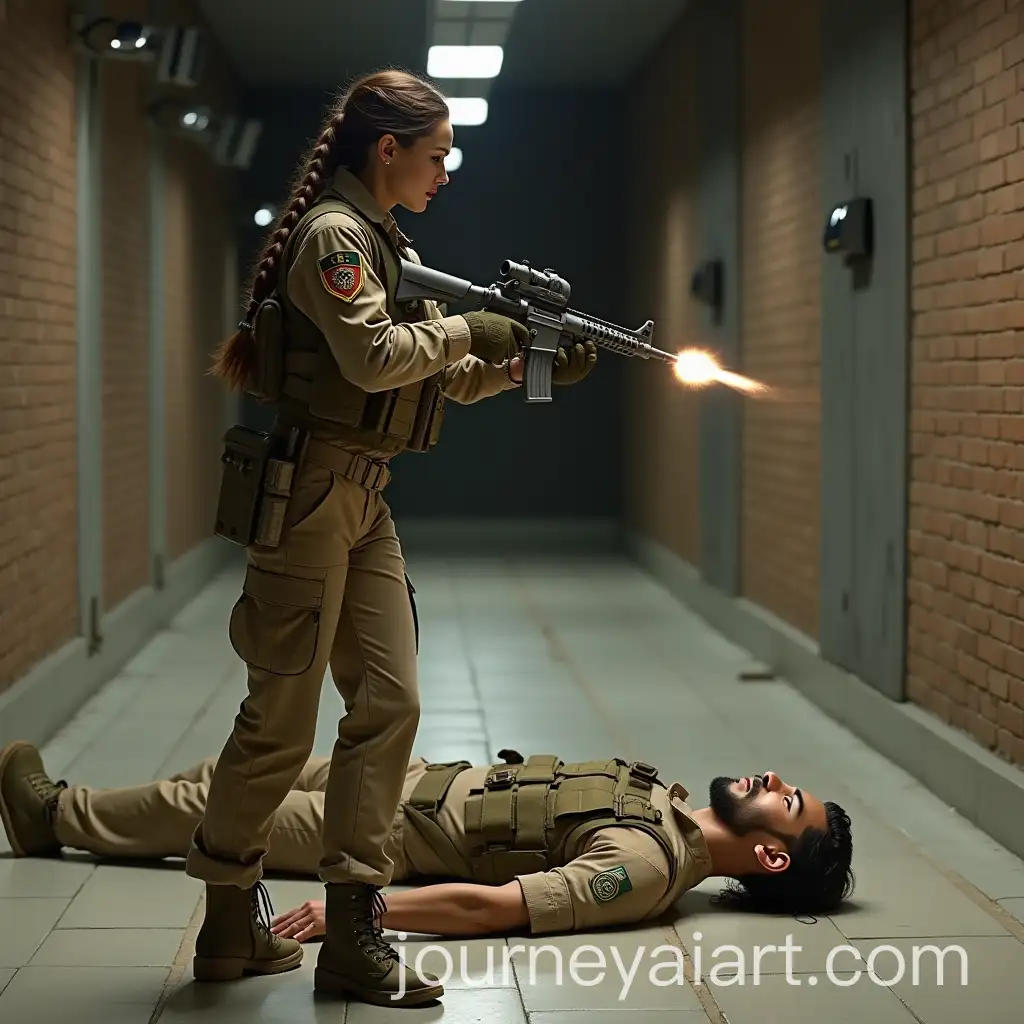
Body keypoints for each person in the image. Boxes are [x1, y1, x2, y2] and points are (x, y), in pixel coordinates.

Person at [192, 69, 598, 1007]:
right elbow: (374, 358)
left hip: (364, 499)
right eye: (436, 155)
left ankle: (353, 932)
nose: (445, 172)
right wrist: (469, 329)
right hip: (307, 499)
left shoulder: (383, 242)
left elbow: (430, 379)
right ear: (387, 150)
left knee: (390, 705)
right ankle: (226, 921)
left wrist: (518, 360)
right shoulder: (336, 241)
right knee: (281, 724)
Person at [0, 740, 854, 944]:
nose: (776, 782)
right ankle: (76, 809)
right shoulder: (664, 810)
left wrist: (361, 912)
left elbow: (502, 907)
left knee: (215, 808)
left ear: (772, 856)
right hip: (410, 778)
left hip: (391, 835)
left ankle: (56, 818)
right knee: (242, 762)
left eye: (790, 803)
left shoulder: (646, 867)